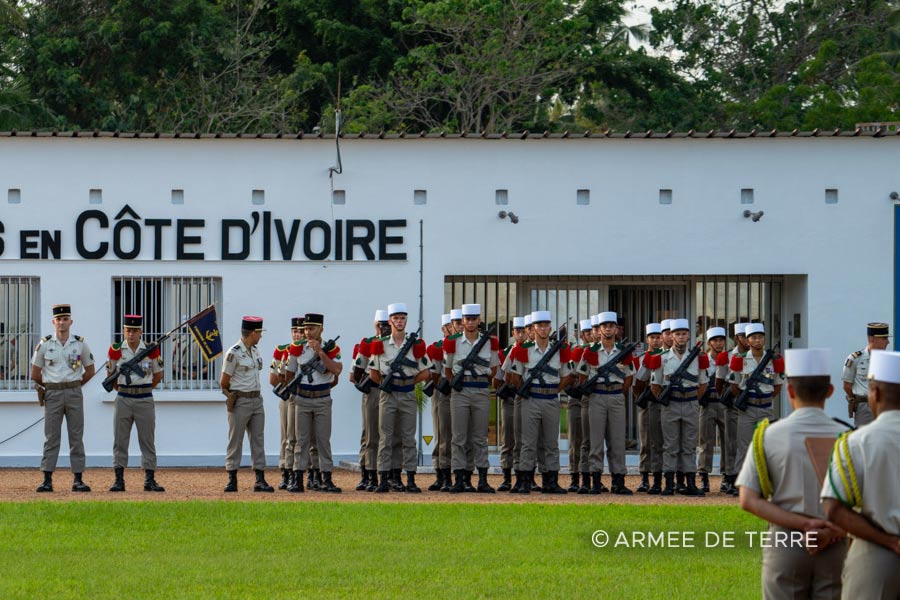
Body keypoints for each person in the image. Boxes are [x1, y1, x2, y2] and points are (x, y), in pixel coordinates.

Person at [738, 348, 850, 599]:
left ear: (789, 391)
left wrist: (805, 524)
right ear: (830, 392)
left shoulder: (767, 434)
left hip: (786, 540)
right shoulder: (848, 437)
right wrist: (831, 530)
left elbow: (748, 499)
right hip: (836, 541)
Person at [822, 349, 900, 598]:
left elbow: (832, 507)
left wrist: (888, 541)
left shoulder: (854, 442)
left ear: (874, 393)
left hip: (874, 554)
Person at [30, 304, 96, 493]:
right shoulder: (45, 344)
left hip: (74, 392)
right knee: (51, 437)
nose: (62, 323)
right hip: (53, 393)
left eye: (65, 319)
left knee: (76, 436)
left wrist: (74, 385)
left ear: (71, 321)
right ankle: (47, 479)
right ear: (53, 322)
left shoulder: (80, 344)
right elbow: (35, 373)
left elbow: (90, 370)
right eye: (58, 319)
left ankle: (78, 479)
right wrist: (52, 387)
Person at [506, 310, 572, 494]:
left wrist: (553, 390)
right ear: (533, 328)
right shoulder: (524, 349)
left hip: (550, 398)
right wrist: (528, 391)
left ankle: (550, 481)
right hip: (531, 398)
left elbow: (566, 376)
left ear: (549, 327)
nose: (543, 329)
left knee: (551, 442)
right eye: (539, 326)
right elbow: (516, 376)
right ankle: (525, 480)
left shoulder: (559, 351)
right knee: (528, 442)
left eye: (546, 325)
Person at [368, 303, 432, 493]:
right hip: (388, 394)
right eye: (396, 318)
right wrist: (386, 384)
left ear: (406, 320)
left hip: (407, 393)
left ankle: (410, 478)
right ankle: (384, 479)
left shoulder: (415, 345)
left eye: (402, 318)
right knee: (385, 437)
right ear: (390, 321)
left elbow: (426, 372)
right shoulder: (380, 344)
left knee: (408, 438)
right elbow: (373, 372)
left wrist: (410, 381)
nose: (399, 321)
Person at [443, 303, 500, 493]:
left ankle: (482, 479)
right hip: (461, 391)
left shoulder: (489, 341)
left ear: (479, 320)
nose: (470, 323)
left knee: (480, 437)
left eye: (474, 319)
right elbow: (448, 369)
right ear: (463, 321)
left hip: (481, 389)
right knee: (459, 436)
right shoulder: (453, 341)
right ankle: (459, 478)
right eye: (467, 319)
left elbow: (493, 368)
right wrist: (458, 382)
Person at [576, 311, 635, 495]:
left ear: (616, 329)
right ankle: (595, 480)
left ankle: (618, 480)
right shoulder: (590, 351)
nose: (608, 329)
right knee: (595, 441)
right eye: (605, 326)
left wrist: (617, 393)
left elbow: (628, 378)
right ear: (599, 329)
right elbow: (582, 376)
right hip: (597, 396)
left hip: (616, 396)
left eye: (611, 326)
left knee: (617, 440)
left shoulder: (623, 352)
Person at [106, 314, 165, 492]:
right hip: (123, 397)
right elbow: (111, 376)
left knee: (147, 439)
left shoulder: (150, 349)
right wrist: (125, 389)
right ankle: (119, 479)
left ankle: (149, 479)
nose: (131, 334)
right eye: (128, 330)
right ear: (124, 331)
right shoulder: (116, 349)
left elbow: (158, 375)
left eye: (134, 331)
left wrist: (144, 388)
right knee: (120, 439)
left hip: (144, 398)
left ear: (141, 332)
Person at [285, 313, 343, 493]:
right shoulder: (297, 349)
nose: (307, 332)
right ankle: (298, 478)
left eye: (312, 328)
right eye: (305, 329)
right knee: (301, 441)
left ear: (321, 329)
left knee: (323, 440)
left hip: (322, 399)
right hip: (302, 398)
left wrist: (320, 351)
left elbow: (336, 370)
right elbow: (289, 373)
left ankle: (326, 477)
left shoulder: (331, 348)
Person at [650, 318, 708, 496]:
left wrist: (691, 399)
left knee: (689, 444)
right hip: (671, 404)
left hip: (690, 403)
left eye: (684, 334)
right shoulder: (661, 358)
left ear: (689, 336)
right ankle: (669, 483)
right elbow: (655, 385)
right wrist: (667, 400)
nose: (681, 337)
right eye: (677, 334)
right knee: (670, 445)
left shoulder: (698, 358)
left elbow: (703, 384)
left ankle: (690, 482)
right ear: (671, 336)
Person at [220, 316, 273, 493]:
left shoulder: (255, 351)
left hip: (257, 400)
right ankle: (232, 478)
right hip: (240, 400)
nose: (260, 336)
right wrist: (232, 398)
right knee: (236, 440)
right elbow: (224, 381)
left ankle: (259, 479)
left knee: (258, 439)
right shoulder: (233, 353)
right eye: (259, 333)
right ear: (252, 333)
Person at [730, 323, 784, 485]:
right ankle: (741, 481)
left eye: (760, 337)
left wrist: (765, 398)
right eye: (754, 338)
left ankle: (764, 481)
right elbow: (734, 385)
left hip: (766, 407)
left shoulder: (774, 359)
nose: (758, 341)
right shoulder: (740, 360)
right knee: (744, 446)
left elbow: (777, 385)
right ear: (747, 341)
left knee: (765, 445)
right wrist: (746, 399)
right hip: (747, 407)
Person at [351, 310, 391, 492]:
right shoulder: (367, 344)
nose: (383, 327)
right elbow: (355, 373)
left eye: (385, 323)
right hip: (373, 390)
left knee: (389, 435)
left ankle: (389, 475)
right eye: (379, 324)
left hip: (391, 390)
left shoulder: (395, 344)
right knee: (370, 435)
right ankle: (368, 474)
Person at [272, 317, 303, 491]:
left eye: (300, 331)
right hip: (289, 396)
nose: (297, 334)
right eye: (295, 331)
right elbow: (274, 378)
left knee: (306, 437)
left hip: (307, 396)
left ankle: (310, 473)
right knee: (287, 435)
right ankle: (286, 471)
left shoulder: (308, 350)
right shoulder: (283, 350)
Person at [496, 316, 526, 492]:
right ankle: (507, 477)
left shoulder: (529, 352)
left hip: (527, 399)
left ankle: (525, 476)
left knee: (527, 440)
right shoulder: (504, 353)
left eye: (524, 331)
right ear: (513, 333)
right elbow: (497, 380)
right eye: (518, 331)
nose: (521, 335)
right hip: (510, 399)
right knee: (508, 439)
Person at [720, 321, 750, 495]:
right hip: (733, 404)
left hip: (750, 405)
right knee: (731, 442)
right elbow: (720, 381)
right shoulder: (727, 356)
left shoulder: (760, 357)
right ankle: (730, 476)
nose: (747, 340)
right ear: (737, 337)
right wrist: (731, 398)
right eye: (743, 336)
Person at [841, 322, 890, 428]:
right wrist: (856, 401)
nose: (888, 342)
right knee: (862, 436)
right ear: (873, 339)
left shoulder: (888, 359)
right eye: (884, 338)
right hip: (864, 405)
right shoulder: (855, 359)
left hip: (884, 406)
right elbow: (846, 385)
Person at [698, 326, 729, 493]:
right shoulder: (703, 360)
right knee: (705, 441)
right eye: (715, 340)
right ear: (709, 343)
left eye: (721, 340)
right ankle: (703, 475)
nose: (718, 343)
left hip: (724, 403)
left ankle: (726, 476)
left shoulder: (729, 359)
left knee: (728, 441)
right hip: (708, 403)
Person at [634, 322, 663, 493]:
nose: (656, 341)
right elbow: (636, 384)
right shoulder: (641, 359)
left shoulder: (667, 356)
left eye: (658, 337)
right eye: (653, 338)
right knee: (646, 441)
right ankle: (644, 477)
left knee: (662, 442)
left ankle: (660, 476)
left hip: (664, 403)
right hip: (647, 403)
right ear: (647, 340)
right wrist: (641, 398)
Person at [566, 319, 592, 492]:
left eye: (593, 332)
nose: (591, 335)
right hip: (577, 399)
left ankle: (591, 474)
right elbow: (569, 377)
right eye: (587, 333)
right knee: (576, 440)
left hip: (594, 399)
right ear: (581, 335)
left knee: (593, 441)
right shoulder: (576, 353)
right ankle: (575, 476)